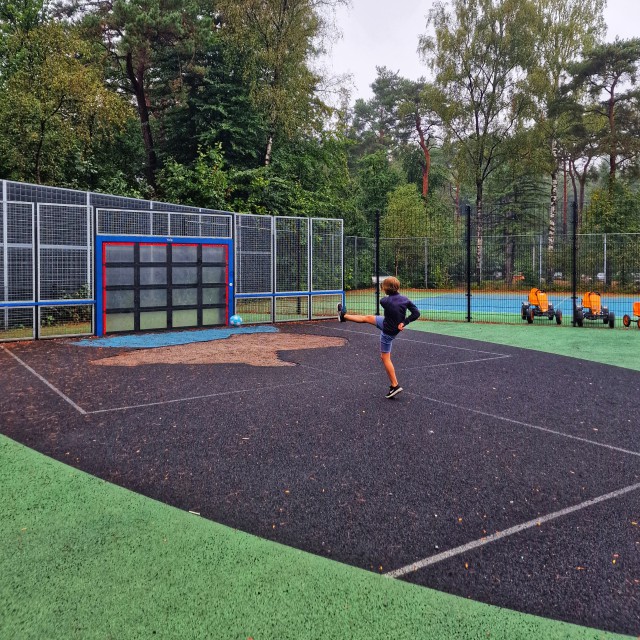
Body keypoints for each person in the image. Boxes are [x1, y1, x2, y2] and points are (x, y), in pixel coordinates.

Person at [337, 276, 420, 398]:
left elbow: (389, 301)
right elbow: (416, 313)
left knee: (385, 358)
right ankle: (343, 316)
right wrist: (404, 322)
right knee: (368, 318)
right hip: (391, 324)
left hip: (388, 331)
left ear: (385, 288)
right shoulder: (405, 300)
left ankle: (395, 385)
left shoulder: (384, 301)